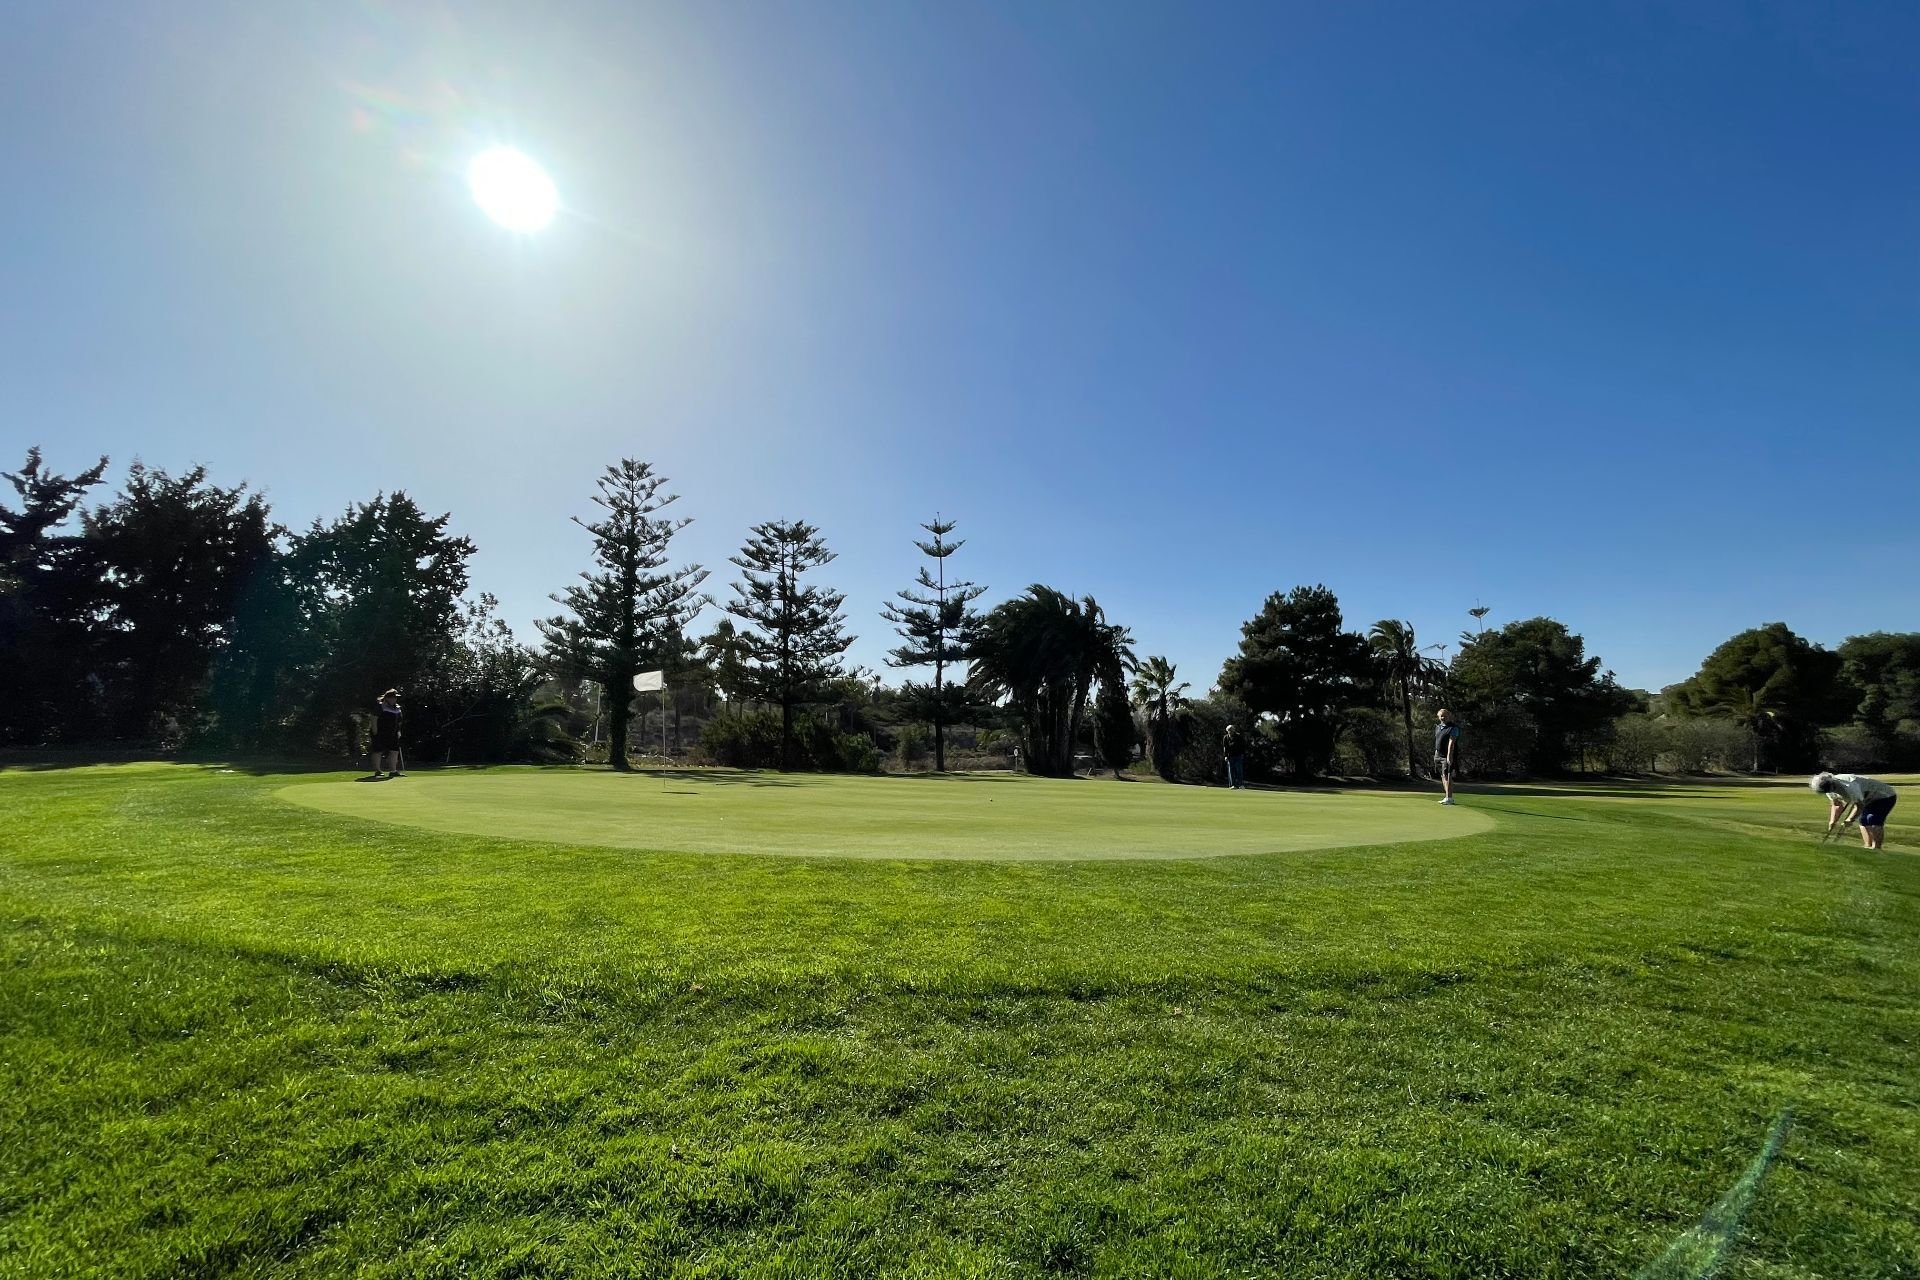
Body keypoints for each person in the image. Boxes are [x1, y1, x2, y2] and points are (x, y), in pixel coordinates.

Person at [1811, 771, 1897, 850]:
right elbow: (1836, 805)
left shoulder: (1850, 785)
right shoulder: (1828, 788)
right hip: (1867, 798)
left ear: (1832, 783)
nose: (1830, 791)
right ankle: (1867, 847)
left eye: (1830, 789)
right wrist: (1832, 821)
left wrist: (1850, 819)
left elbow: (1859, 806)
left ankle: (1877, 848)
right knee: (1863, 821)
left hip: (1884, 796)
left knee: (1872, 819)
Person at [371, 689, 404, 779]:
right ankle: (378, 771)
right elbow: (374, 718)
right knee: (378, 751)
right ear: (387, 698)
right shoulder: (381, 706)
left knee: (394, 751)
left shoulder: (397, 708)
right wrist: (375, 730)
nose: (395, 699)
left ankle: (393, 771)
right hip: (380, 732)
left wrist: (398, 731)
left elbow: (399, 721)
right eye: (393, 697)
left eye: (395, 698)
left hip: (393, 733)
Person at [1433, 708, 1460, 805]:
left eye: (1445, 716)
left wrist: (1449, 755)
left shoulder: (1453, 728)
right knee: (1443, 776)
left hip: (1447, 756)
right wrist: (1436, 753)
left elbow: (1451, 742)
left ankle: (1449, 798)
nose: (1443, 717)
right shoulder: (1437, 727)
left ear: (1449, 716)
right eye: (1441, 716)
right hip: (1438, 755)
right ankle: (1447, 797)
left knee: (1448, 776)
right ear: (1438, 717)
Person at [1223, 724, 1246, 790]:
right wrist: (1225, 756)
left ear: (1234, 730)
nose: (1230, 732)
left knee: (1239, 770)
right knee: (1231, 771)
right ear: (1227, 731)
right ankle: (1233, 785)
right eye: (1229, 730)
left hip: (1238, 755)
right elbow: (1225, 747)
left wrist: (1242, 754)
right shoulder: (1225, 737)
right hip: (1230, 756)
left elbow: (1242, 746)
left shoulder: (1238, 736)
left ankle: (1241, 784)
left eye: (1232, 730)